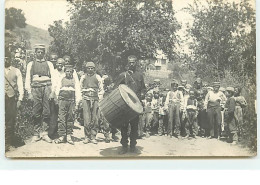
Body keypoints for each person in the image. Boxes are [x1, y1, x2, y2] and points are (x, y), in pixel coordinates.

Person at [114, 55, 146, 154]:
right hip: (125, 104)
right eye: (130, 62)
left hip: (135, 105)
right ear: (127, 63)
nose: (131, 64)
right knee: (124, 126)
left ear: (136, 62)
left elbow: (143, 88)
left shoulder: (140, 75)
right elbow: (116, 88)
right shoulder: (123, 75)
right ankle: (124, 146)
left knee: (134, 127)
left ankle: (133, 146)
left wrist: (143, 94)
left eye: (133, 62)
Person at [25, 44, 56, 143]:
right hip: (35, 89)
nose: (40, 54)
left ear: (44, 53)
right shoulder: (31, 64)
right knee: (36, 111)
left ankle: (45, 133)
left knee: (47, 111)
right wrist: (29, 92)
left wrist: (52, 92)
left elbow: (54, 79)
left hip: (47, 88)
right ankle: (36, 134)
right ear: (35, 53)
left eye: (42, 52)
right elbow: (27, 79)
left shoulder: (49, 64)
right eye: (38, 52)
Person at [54, 65, 81, 145]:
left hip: (71, 100)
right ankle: (62, 136)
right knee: (61, 117)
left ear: (73, 72)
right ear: (65, 72)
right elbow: (57, 89)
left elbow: (78, 90)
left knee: (70, 117)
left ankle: (69, 135)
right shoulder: (61, 78)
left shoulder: (75, 80)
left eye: (70, 71)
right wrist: (57, 99)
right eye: (67, 71)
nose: (69, 73)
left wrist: (77, 101)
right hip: (62, 100)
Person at [80, 62, 104, 144]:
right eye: (88, 68)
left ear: (94, 69)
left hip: (95, 99)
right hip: (86, 98)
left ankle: (93, 136)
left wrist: (99, 99)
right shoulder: (83, 77)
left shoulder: (98, 77)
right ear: (86, 69)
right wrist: (81, 99)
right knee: (86, 118)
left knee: (95, 118)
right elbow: (80, 88)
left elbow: (101, 90)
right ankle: (87, 136)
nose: (90, 69)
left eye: (92, 68)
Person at [5, 49, 24, 151]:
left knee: (10, 120)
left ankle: (9, 142)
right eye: (3, 58)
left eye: (7, 58)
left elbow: (20, 86)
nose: (5, 60)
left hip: (11, 98)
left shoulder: (16, 71)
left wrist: (20, 99)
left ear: (11, 59)